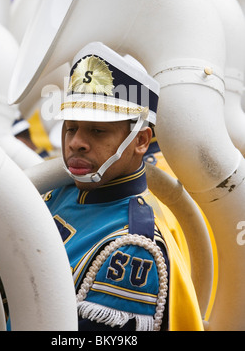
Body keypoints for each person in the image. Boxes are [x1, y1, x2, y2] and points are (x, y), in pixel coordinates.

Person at [42, 42, 204, 331]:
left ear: (141, 141)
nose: (75, 141)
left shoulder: (133, 247)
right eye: (71, 127)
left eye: (97, 130)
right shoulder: (57, 193)